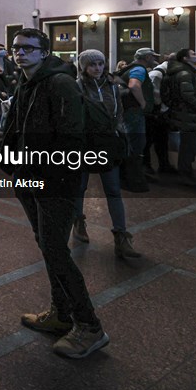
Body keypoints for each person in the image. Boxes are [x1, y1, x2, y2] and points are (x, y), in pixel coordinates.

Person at [0, 28, 108, 359]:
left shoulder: (60, 83)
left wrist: (48, 175)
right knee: (48, 246)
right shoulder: (26, 82)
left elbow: (70, 139)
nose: (20, 53)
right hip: (30, 177)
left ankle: (90, 327)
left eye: (29, 49)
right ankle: (61, 314)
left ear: (44, 52)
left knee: (56, 250)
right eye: (16, 48)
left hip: (54, 183)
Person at [71, 50, 140, 258]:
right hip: (84, 144)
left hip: (108, 143)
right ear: (83, 67)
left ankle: (121, 236)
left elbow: (118, 112)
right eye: (92, 65)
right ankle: (78, 221)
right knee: (79, 187)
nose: (98, 68)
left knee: (113, 189)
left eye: (101, 64)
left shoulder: (112, 85)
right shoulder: (77, 87)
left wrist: (120, 133)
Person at [162, 49, 196, 186]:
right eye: (193, 54)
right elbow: (188, 96)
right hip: (189, 114)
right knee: (189, 145)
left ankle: (186, 171)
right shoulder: (185, 73)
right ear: (185, 59)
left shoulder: (185, 71)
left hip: (186, 113)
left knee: (189, 144)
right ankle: (185, 173)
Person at [118, 48, 160, 185]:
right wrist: (143, 103)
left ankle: (131, 174)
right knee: (136, 144)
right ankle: (133, 177)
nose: (154, 59)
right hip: (134, 113)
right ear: (147, 57)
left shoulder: (130, 68)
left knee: (131, 142)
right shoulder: (139, 70)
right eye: (153, 57)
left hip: (127, 111)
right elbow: (134, 86)